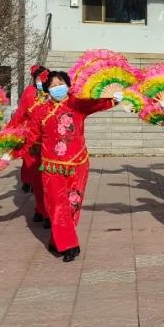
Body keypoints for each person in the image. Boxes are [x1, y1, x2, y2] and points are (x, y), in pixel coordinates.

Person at [20, 72, 119, 261]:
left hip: (78, 163)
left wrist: (113, 99)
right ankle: (70, 246)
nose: (57, 87)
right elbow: (31, 136)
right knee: (57, 206)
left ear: (68, 85)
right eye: (53, 85)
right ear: (47, 89)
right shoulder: (40, 111)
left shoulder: (78, 104)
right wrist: (11, 150)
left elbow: (97, 104)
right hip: (51, 167)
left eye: (61, 83)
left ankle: (56, 241)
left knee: (73, 203)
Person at [10, 65, 49, 228]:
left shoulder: (53, 93)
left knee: (50, 181)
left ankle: (46, 211)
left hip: (52, 144)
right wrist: (7, 136)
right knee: (39, 181)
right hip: (33, 142)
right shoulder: (29, 93)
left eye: (44, 77)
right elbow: (19, 115)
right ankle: (42, 211)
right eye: (39, 77)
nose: (42, 80)